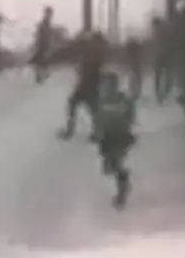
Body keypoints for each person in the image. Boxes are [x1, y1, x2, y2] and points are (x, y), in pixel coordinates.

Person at [93, 70, 137, 208]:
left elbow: (131, 117)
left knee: (117, 164)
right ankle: (123, 181)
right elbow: (98, 119)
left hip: (120, 136)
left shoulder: (123, 99)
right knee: (109, 168)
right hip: (107, 137)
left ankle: (122, 191)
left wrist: (126, 127)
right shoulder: (101, 101)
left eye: (108, 84)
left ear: (115, 85)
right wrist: (98, 133)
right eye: (104, 84)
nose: (105, 87)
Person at [59, 28, 108, 141]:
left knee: (89, 107)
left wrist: (82, 70)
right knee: (84, 106)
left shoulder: (95, 53)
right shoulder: (94, 52)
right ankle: (95, 132)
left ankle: (95, 132)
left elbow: (91, 68)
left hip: (89, 84)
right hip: (87, 84)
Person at [150, 15, 172, 103]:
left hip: (161, 55)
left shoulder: (158, 32)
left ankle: (160, 93)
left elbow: (155, 46)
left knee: (159, 76)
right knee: (164, 75)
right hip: (163, 55)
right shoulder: (161, 32)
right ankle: (164, 91)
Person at [30, 6, 55, 83]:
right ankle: (40, 76)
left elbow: (46, 34)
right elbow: (42, 35)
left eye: (50, 13)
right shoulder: (44, 23)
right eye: (49, 13)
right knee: (41, 61)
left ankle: (41, 76)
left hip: (44, 45)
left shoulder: (46, 22)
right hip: (42, 45)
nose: (50, 15)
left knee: (42, 61)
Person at [125, 36, 145, 101]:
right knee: (135, 78)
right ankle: (135, 92)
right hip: (135, 66)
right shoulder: (136, 54)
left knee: (134, 77)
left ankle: (134, 92)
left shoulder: (133, 55)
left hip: (134, 66)